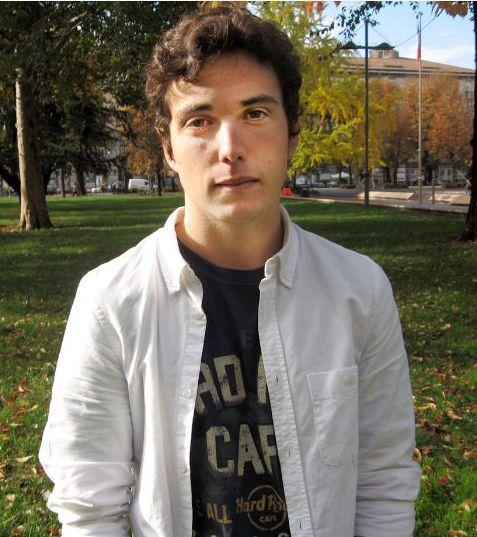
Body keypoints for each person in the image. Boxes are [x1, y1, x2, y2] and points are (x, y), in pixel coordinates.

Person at [39, 6, 421, 537]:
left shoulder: (359, 291)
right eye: (200, 120)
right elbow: (89, 508)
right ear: (168, 148)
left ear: (291, 135)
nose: (230, 149)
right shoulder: (110, 301)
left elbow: (383, 480)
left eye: (256, 114)